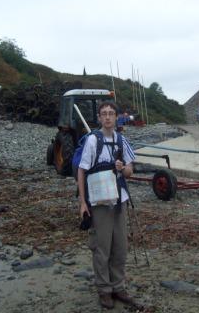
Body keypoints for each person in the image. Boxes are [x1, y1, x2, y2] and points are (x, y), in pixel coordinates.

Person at [77, 101, 140, 310]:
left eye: (111, 113)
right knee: (102, 248)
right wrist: (82, 203)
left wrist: (123, 168)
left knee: (120, 246)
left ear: (116, 117)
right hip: (100, 202)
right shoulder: (93, 141)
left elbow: (130, 171)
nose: (107, 117)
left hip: (119, 200)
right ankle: (104, 290)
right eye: (103, 114)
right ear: (99, 117)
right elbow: (81, 170)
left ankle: (118, 287)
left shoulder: (122, 140)